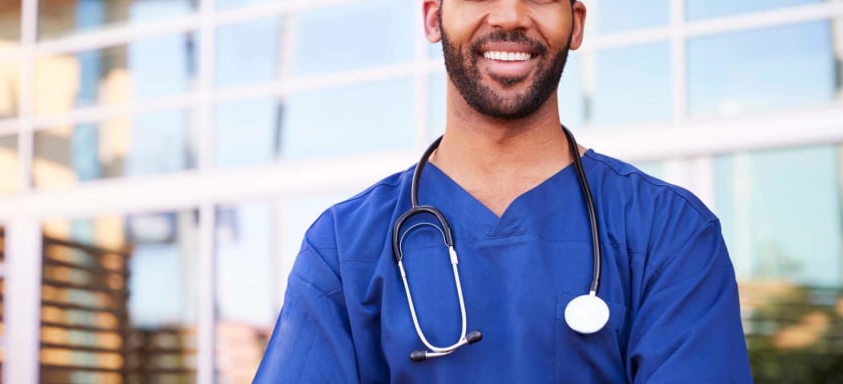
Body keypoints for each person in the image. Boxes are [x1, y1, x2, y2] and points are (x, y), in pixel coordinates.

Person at [253, 0, 753, 382]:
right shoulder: (344, 248)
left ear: (576, 23)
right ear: (433, 18)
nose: (511, 15)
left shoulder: (671, 233)